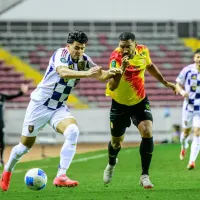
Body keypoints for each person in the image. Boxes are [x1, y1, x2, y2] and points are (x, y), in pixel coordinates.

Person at [0, 30, 122, 191]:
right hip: (39, 105)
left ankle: (61, 176)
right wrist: (86, 73)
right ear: (68, 46)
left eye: (83, 48)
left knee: (72, 131)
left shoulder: (84, 60)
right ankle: (7, 171)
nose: (80, 51)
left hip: (58, 107)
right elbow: (63, 72)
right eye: (77, 47)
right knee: (24, 147)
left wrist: (114, 72)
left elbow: (100, 75)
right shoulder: (61, 54)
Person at [103, 32, 176, 189]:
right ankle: (111, 163)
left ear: (135, 45)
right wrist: (122, 68)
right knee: (116, 143)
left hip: (139, 101)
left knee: (147, 131)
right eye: (122, 46)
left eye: (128, 46)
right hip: (119, 104)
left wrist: (165, 82)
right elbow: (112, 86)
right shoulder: (115, 58)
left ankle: (144, 175)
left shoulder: (143, 51)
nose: (124, 50)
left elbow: (149, 66)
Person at [176, 48, 200, 169]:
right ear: (194, 58)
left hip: (199, 109)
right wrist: (182, 92)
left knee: (197, 132)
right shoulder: (187, 70)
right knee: (186, 132)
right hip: (188, 107)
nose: (199, 60)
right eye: (198, 57)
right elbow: (178, 84)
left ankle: (191, 161)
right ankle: (183, 147)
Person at [0, 84, 28, 167]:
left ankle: (1, 159)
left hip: (0, 124)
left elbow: (12, 96)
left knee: (1, 142)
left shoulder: (2, 96)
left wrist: (21, 92)